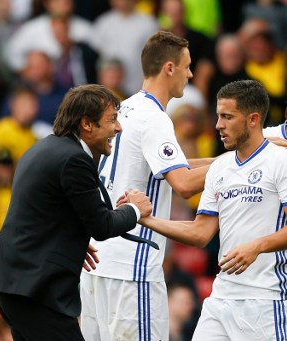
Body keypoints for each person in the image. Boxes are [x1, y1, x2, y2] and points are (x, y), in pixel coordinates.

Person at [0, 84, 153, 341]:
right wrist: (136, 209)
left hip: (15, 287)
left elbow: (44, 213)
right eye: (112, 120)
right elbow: (102, 225)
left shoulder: (45, 147)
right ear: (86, 124)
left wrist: (71, 242)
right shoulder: (73, 159)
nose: (118, 128)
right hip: (35, 294)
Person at [139, 79, 287, 340]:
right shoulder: (220, 167)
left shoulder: (283, 162)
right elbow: (200, 232)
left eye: (227, 117)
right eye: (218, 116)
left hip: (267, 299)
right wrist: (146, 219)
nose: (218, 124)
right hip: (222, 297)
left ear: (253, 119)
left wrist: (257, 246)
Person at [80, 31, 214, 341]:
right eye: (187, 66)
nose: (191, 74)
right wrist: (242, 163)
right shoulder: (155, 119)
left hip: (98, 263)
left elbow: (172, 167)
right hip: (132, 266)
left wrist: (235, 158)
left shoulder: (124, 108)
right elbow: (182, 183)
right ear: (169, 68)